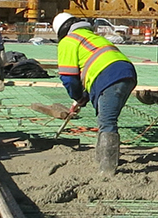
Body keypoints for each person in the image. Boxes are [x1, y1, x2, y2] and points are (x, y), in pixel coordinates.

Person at [53, 11, 138, 177]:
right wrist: (83, 98)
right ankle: (101, 159)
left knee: (107, 121)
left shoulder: (68, 41)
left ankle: (107, 169)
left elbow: (68, 77)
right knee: (105, 117)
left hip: (108, 76)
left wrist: (77, 97)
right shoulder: (91, 36)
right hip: (127, 74)